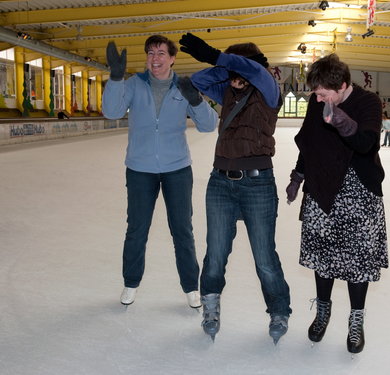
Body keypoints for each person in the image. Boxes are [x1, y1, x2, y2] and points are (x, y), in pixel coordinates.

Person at [179, 33, 292, 344]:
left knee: (264, 257)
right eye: (233, 72)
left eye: (241, 70)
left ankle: (279, 310)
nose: (236, 77)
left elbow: (257, 72)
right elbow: (199, 79)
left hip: (258, 184)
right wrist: (224, 68)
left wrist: (223, 58)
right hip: (220, 183)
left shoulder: (268, 90)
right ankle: (211, 307)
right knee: (215, 253)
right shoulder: (228, 89)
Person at [101, 36, 218, 308]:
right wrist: (116, 78)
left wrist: (196, 100)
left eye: (162, 53)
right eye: (151, 53)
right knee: (137, 230)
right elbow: (112, 111)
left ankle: (191, 287)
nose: (156, 58)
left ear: (172, 58)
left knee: (182, 230)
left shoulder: (183, 86)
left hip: (177, 169)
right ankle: (131, 283)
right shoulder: (133, 84)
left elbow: (208, 126)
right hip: (140, 169)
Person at [285, 54, 388, 354]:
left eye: (322, 93)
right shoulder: (317, 104)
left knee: (358, 260)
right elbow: (309, 143)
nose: (316, 99)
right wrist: (297, 175)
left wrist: (341, 120)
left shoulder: (368, 102)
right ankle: (323, 311)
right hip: (321, 187)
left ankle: (356, 320)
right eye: (315, 92)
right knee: (323, 255)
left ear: (342, 86)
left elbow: (366, 143)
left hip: (359, 192)